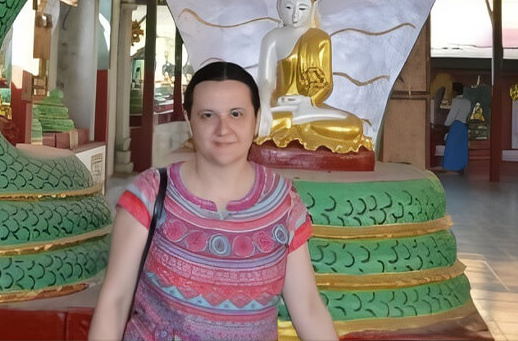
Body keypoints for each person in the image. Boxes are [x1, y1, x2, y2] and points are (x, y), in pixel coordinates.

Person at [89, 61, 337, 341]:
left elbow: (307, 308)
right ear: (189, 119)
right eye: (208, 115)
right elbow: (115, 301)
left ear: (256, 119)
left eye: (236, 114)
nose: (223, 129)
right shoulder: (151, 194)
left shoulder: (282, 202)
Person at [256, 0, 368, 153]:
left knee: (353, 126)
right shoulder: (272, 38)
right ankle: (290, 127)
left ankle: (295, 130)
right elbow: (265, 81)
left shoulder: (320, 39)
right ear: (279, 5)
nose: (294, 16)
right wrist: (266, 104)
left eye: (302, 8)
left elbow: (326, 85)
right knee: (259, 122)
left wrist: (308, 101)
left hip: (309, 109)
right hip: (280, 108)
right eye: (288, 7)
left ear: (312, 8)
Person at [442, 82, 470, 172]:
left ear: (454, 92)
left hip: (456, 126)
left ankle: (450, 168)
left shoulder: (456, 101)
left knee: (451, 148)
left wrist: (446, 124)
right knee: (461, 148)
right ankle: (461, 167)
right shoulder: (468, 102)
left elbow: (452, 116)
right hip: (464, 126)